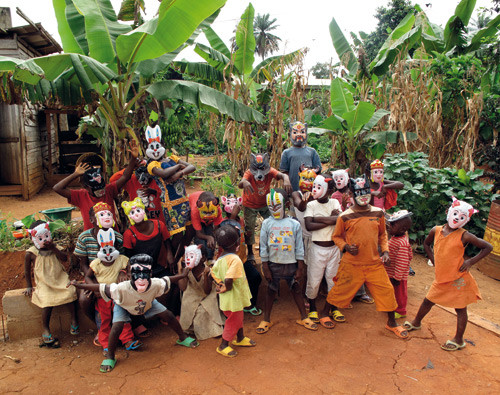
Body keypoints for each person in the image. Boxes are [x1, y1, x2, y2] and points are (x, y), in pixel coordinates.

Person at [69, 254, 198, 372]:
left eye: (145, 273)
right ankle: (110, 356)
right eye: (136, 273)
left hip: (147, 303)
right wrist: (79, 286)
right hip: (123, 306)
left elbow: (168, 279)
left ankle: (183, 338)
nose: (141, 278)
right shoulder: (121, 288)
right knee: (116, 328)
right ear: (129, 275)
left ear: (151, 273)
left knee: (168, 315)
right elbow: (100, 287)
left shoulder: (155, 284)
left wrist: (182, 275)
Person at [318, 175, 409, 339]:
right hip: (351, 264)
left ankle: (392, 323)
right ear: (352, 194)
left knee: (387, 291)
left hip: (374, 264)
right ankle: (324, 313)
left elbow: (382, 235)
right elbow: (337, 237)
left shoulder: (378, 214)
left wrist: (386, 252)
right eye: (359, 192)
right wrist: (345, 247)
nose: (364, 195)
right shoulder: (344, 216)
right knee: (340, 290)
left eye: (366, 191)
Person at [403, 197, 492, 351]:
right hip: (442, 278)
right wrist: (433, 259)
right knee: (428, 300)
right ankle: (416, 322)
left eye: (462, 217)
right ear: (449, 212)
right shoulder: (436, 230)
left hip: (458, 278)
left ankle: (459, 340)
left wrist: (470, 262)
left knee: (460, 308)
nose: (457, 218)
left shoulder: (465, 235)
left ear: (466, 220)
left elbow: (487, 247)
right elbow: (426, 244)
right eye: (456, 213)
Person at [257, 188, 317, 334]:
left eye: (277, 206)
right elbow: (263, 246)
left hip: (291, 264)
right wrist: (265, 266)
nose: (274, 209)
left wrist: (300, 266)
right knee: (271, 291)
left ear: (287, 204)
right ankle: (266, 319)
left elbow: (299, 247)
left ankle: (303, 317)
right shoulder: (266, 224)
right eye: (271, 207)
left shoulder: (294, 224)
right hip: (273, 264)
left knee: (296, 289)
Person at [53, 141, 139, 230]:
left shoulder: (109, 190)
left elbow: (125, 176)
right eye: (96, 189)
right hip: (92, 238)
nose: (101, 191)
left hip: (112, 235)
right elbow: (57, 188)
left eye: (102, 187)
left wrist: (133, 158)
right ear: (86, 187)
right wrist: (75, 174)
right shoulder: (81, 196)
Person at [73, 203, 124, 343]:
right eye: (101, 215)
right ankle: (100, 328)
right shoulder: (84, 238)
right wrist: (93, 284)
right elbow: (83, 264)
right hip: (93, 277)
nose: (106, 217)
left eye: (109, 214)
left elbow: (123, 260)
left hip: (113, 275)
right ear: (92, 219)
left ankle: (127, 325)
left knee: (125, 292)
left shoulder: (117, 237)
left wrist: (123, 272)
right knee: (84, 299)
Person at [23, 221, 78, 348]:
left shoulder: (54, 248)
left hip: (59, 279)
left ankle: (74, 319)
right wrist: (29, 286)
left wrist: (53, 248)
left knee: (70, 292)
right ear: (34, 239)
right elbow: (27, 271)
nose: (44, 240)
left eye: (46, 236)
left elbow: (64, 258)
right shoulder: (31, 253)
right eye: (40, 238)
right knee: (47, 301)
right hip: (44, 283)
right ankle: (46, 329)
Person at [85, 228, 139, 354]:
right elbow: (88, 276)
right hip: (103, 296)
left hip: (118, 295)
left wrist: (124, 272)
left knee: (122, 318)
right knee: (104, 320)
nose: (108, 253)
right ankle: (106, 344)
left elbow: (130, 268)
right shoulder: (96, 263)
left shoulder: (122, 259)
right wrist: (94, 287)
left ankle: (128, 340)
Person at [144, 125, 195, 256]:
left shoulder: (172, 158)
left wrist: (179, 173)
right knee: (177, 234)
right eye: (152, 147)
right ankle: (169, 260)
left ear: (162, 145)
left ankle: (177, 259)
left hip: (183, 200)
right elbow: (164, 174)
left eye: (157, 146)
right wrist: (179, 166)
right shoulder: (152, 165)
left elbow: (192, 167)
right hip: (170, 203)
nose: (155, 150)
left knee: (190, 231)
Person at [211, 225, 256, 358]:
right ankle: (223, 345)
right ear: (237, 243)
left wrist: (220, 285)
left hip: (228, 299)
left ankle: (240, 338)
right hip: (233, 297)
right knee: (234, 320)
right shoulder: (235, 259)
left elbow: (213, 273)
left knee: (237, 317)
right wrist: (227, 287)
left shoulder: (219, 259)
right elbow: (229, 278)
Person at [304, 174, 342, 327]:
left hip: (334, 248)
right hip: (317, 248)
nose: (315, 190)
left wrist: (318, 219)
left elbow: (339, 220)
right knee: (314, 280)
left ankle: (333, 307)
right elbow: (309, 226)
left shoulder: (334, 202)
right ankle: (312, 307)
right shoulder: (311, 205)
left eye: (319, 187)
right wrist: (329, 220)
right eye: (314, 187)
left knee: (333, 280)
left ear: (329, 189)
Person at [238, 152, 291, 261]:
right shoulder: (249, 173)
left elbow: (282, 175)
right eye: (256, 169)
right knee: (250, 228)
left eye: (262, 169)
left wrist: (286, 179)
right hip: (250, 204)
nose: (260, 173)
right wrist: (245, 182)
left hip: (265, 204)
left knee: (272, 224)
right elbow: (241, 182)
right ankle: (251, 252)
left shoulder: (270, 171)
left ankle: (270, 246)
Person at [220, 194, 262, 316]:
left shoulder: (241, 221)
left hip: (241, 259)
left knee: (255, 277)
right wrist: (232, 216)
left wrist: (246, 236)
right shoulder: (223, 223)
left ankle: (250, 304)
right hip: (228, 262)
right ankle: (229, 311)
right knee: (231, 284)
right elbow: (226, 234)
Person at [178, 244, 224, 340]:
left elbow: (207, 291)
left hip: (207, 296)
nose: (188, 259)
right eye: (187, 256)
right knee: (188, 307)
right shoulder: (187, 271)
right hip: (192, 295)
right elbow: (183, 288)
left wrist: (206, 276)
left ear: (202, 259)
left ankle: (211, 330)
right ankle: (191, 328)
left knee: (202, 312)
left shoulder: (208, 271)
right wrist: (181, 273)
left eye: (192, 256)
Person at [386, 210, 413, 319]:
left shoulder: (402, 243)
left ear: (402, 229)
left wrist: (397, 277)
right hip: (391, 273)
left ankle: (401, 311)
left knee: (400, 293)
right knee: (393, 292)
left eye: (392, 225)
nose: (389, 226)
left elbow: (403, 261)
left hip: (398, 276)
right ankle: (393, 307)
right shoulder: (395, 238)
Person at [280, 121, 321, 192]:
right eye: (295, 132)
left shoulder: (312, 152)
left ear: (306, 134)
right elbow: (284, 171)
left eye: (302, 132)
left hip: (310, 190)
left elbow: (318, 171)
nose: (299, 135)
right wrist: (286, 181)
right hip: (292, 190)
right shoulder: (286, 152)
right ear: (290, 134)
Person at [189, 191, 224, 263]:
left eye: (211, 212)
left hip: (207, 221)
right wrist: (208, 237)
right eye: (205, 213)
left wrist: (213, 238)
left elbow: (216, 229)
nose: (208, 215)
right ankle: (202, 255)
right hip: (197, 217)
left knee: (210, 233)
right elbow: (199, 234)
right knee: (200, 241)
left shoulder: (217, 209)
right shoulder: (195, 211)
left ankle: (210, 257)